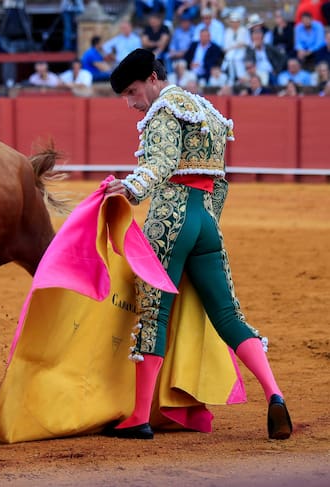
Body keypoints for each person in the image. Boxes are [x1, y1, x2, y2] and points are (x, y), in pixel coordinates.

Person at [102, 48, 292, 441]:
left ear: (153, 79)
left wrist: (132, 187)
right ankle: (274, 394)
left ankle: (139, 416)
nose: (131, 103)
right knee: (229, 316)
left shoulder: (162, 111)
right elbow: (220, 179)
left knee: (154, 314)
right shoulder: (206, 110)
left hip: (170, 219)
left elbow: (162, 160)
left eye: (133, 91)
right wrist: (207, 224)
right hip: (206, 221)